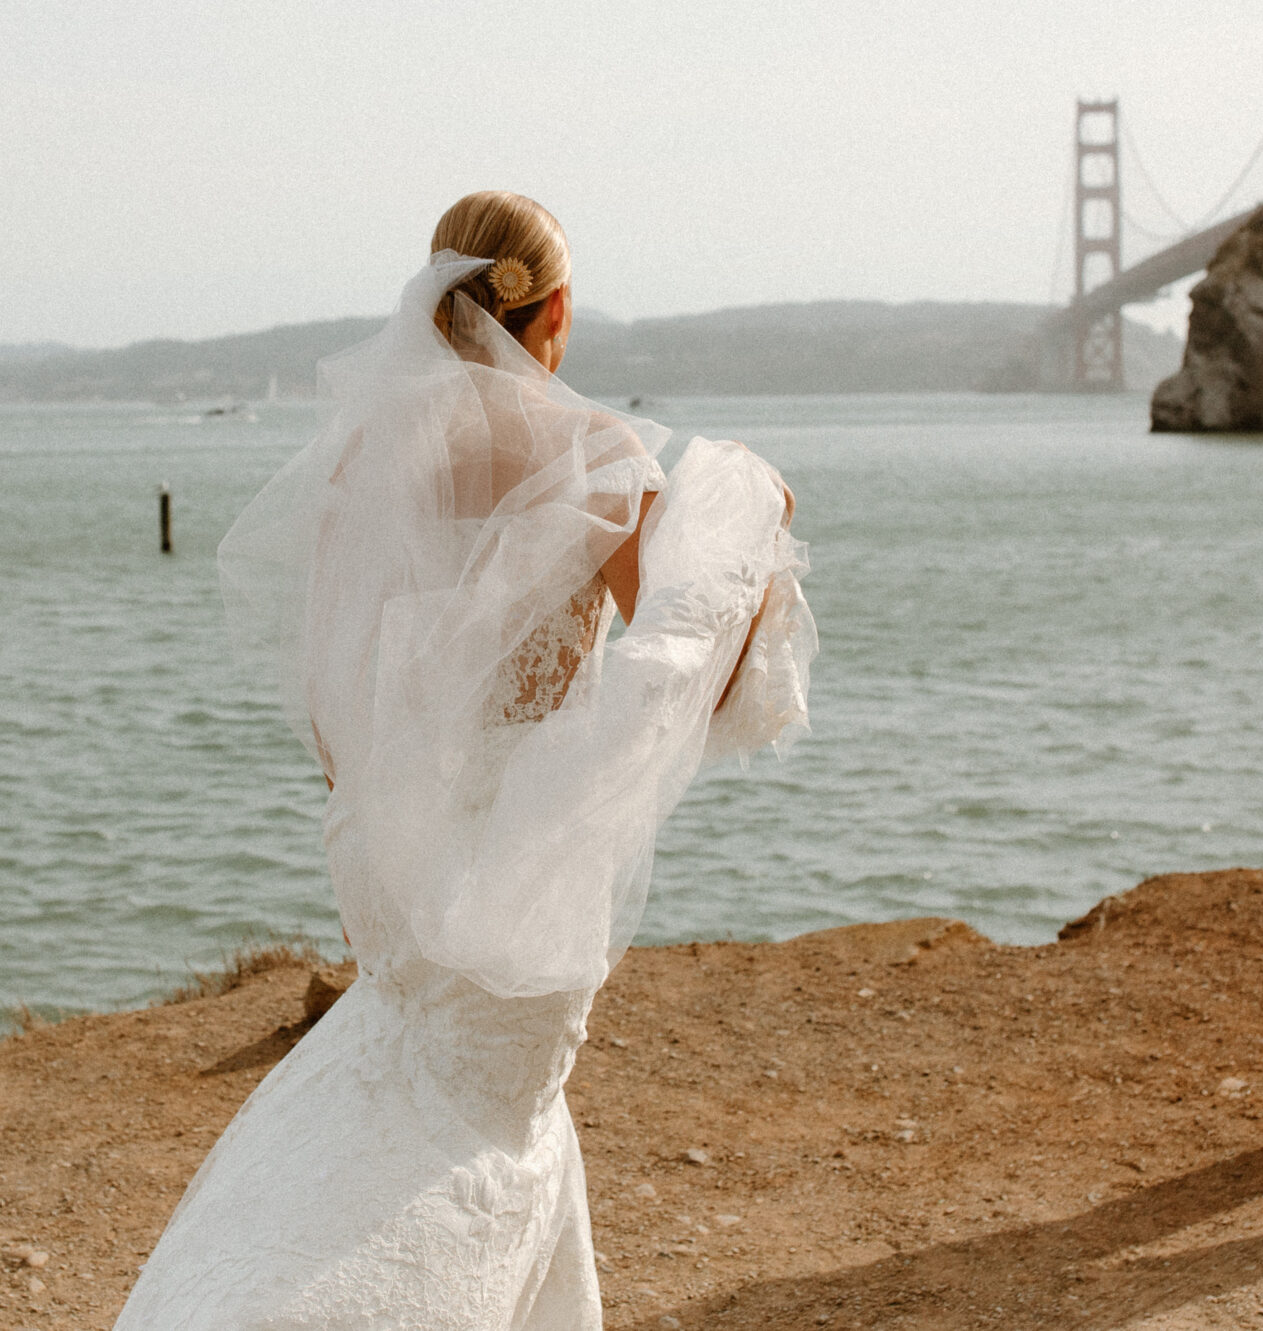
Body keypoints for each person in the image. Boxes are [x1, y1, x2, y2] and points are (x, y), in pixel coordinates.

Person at [115, 192, 815, 1329]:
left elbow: (340, 712)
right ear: (558, 314)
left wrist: (390, 846)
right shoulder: (595, 454)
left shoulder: (361, 466)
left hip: (398, 860)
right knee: (489, 1136)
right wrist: (743, 546)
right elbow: (699, 684)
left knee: (422, 1109)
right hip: (524, 870)